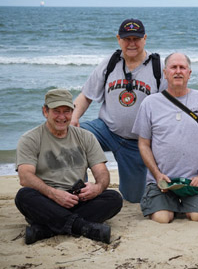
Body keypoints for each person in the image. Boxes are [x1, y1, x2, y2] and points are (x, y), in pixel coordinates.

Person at [71, 18, 167, 203]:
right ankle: (79, 191)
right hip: (105, 130)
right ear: (118, 39)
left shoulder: (158, 68)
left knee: (134, 198)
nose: (131, 43)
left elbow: (169, 108)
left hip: (136, 142)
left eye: (136, 38)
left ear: (145, 38)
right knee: (74, 137)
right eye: (127, 38)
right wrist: (74, 117)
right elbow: (86, 95)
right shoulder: (110, 62)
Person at [15, 89, 123, 245]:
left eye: (66, 111)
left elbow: (102, 173)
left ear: (73, 111)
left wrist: (97, 188)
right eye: (56, 111)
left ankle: (46, 230)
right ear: (45, 111)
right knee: (24, 196)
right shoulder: (30, 138)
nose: (62, 117)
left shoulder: (86, 137)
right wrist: (54, 194)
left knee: (113, 198)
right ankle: (84, 227)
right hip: (46, 201)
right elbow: (25, 177)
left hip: (77, 198)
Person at [132, 53, 198, 223]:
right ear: (165, 73)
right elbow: (143, 144)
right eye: (174, 67)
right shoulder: (150, 103)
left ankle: (190, 204)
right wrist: (157, 175)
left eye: (182, 68)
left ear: (189, 73)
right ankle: (168, 205)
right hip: (162, 182)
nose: (178, 71)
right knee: (162, 218)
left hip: (194, 181)